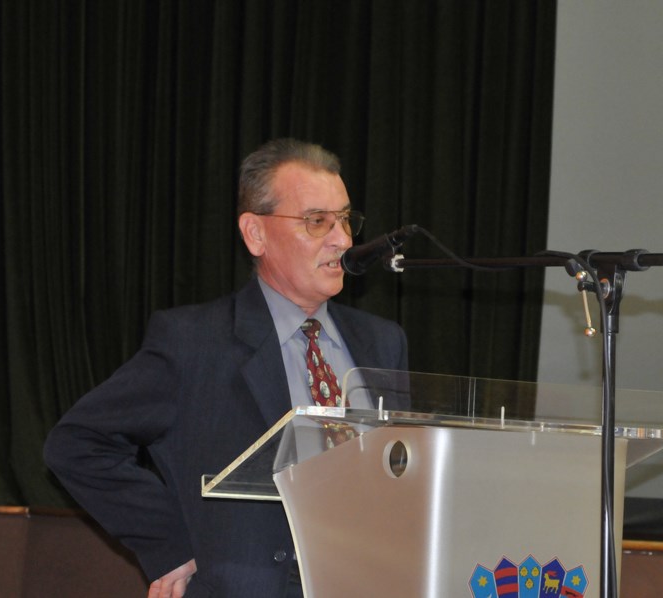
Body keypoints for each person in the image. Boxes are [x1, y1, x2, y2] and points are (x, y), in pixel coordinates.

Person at [44, 138, 409, 597]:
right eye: (317, 221)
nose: (343, 240)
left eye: (345, 219)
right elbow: (77, 443)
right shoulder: (192, 343)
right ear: (255, 234)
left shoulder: (382, 342)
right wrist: (170, 546)